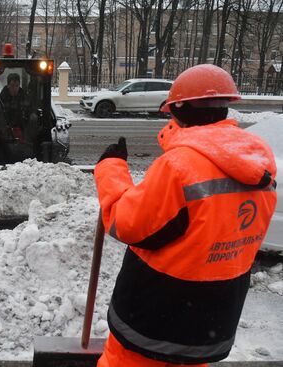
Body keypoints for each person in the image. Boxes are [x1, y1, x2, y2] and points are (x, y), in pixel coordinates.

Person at [94, 64, 277, 367]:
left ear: (177, 109)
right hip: (210, 321)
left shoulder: (181, 166)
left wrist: (110, 168)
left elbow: (127, 223)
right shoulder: (259, 162)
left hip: (156, 316)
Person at [0, 72, 26, 138]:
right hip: (4, 130)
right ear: (8, 85)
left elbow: (30, 110)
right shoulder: (0, 99)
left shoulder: (24, 97)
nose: (15, 88)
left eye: (17, 85)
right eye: (12, 85)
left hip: (23, 130)